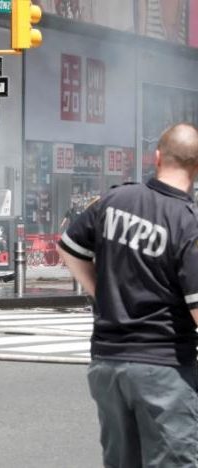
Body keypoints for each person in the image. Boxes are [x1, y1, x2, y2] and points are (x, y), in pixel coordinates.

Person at [56, 122, 198, 467]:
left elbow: (69, 247)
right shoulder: (188, 222)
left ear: (157, 157)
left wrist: (98, 292)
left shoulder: (115, 199)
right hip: (164, 364)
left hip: (107, 363)